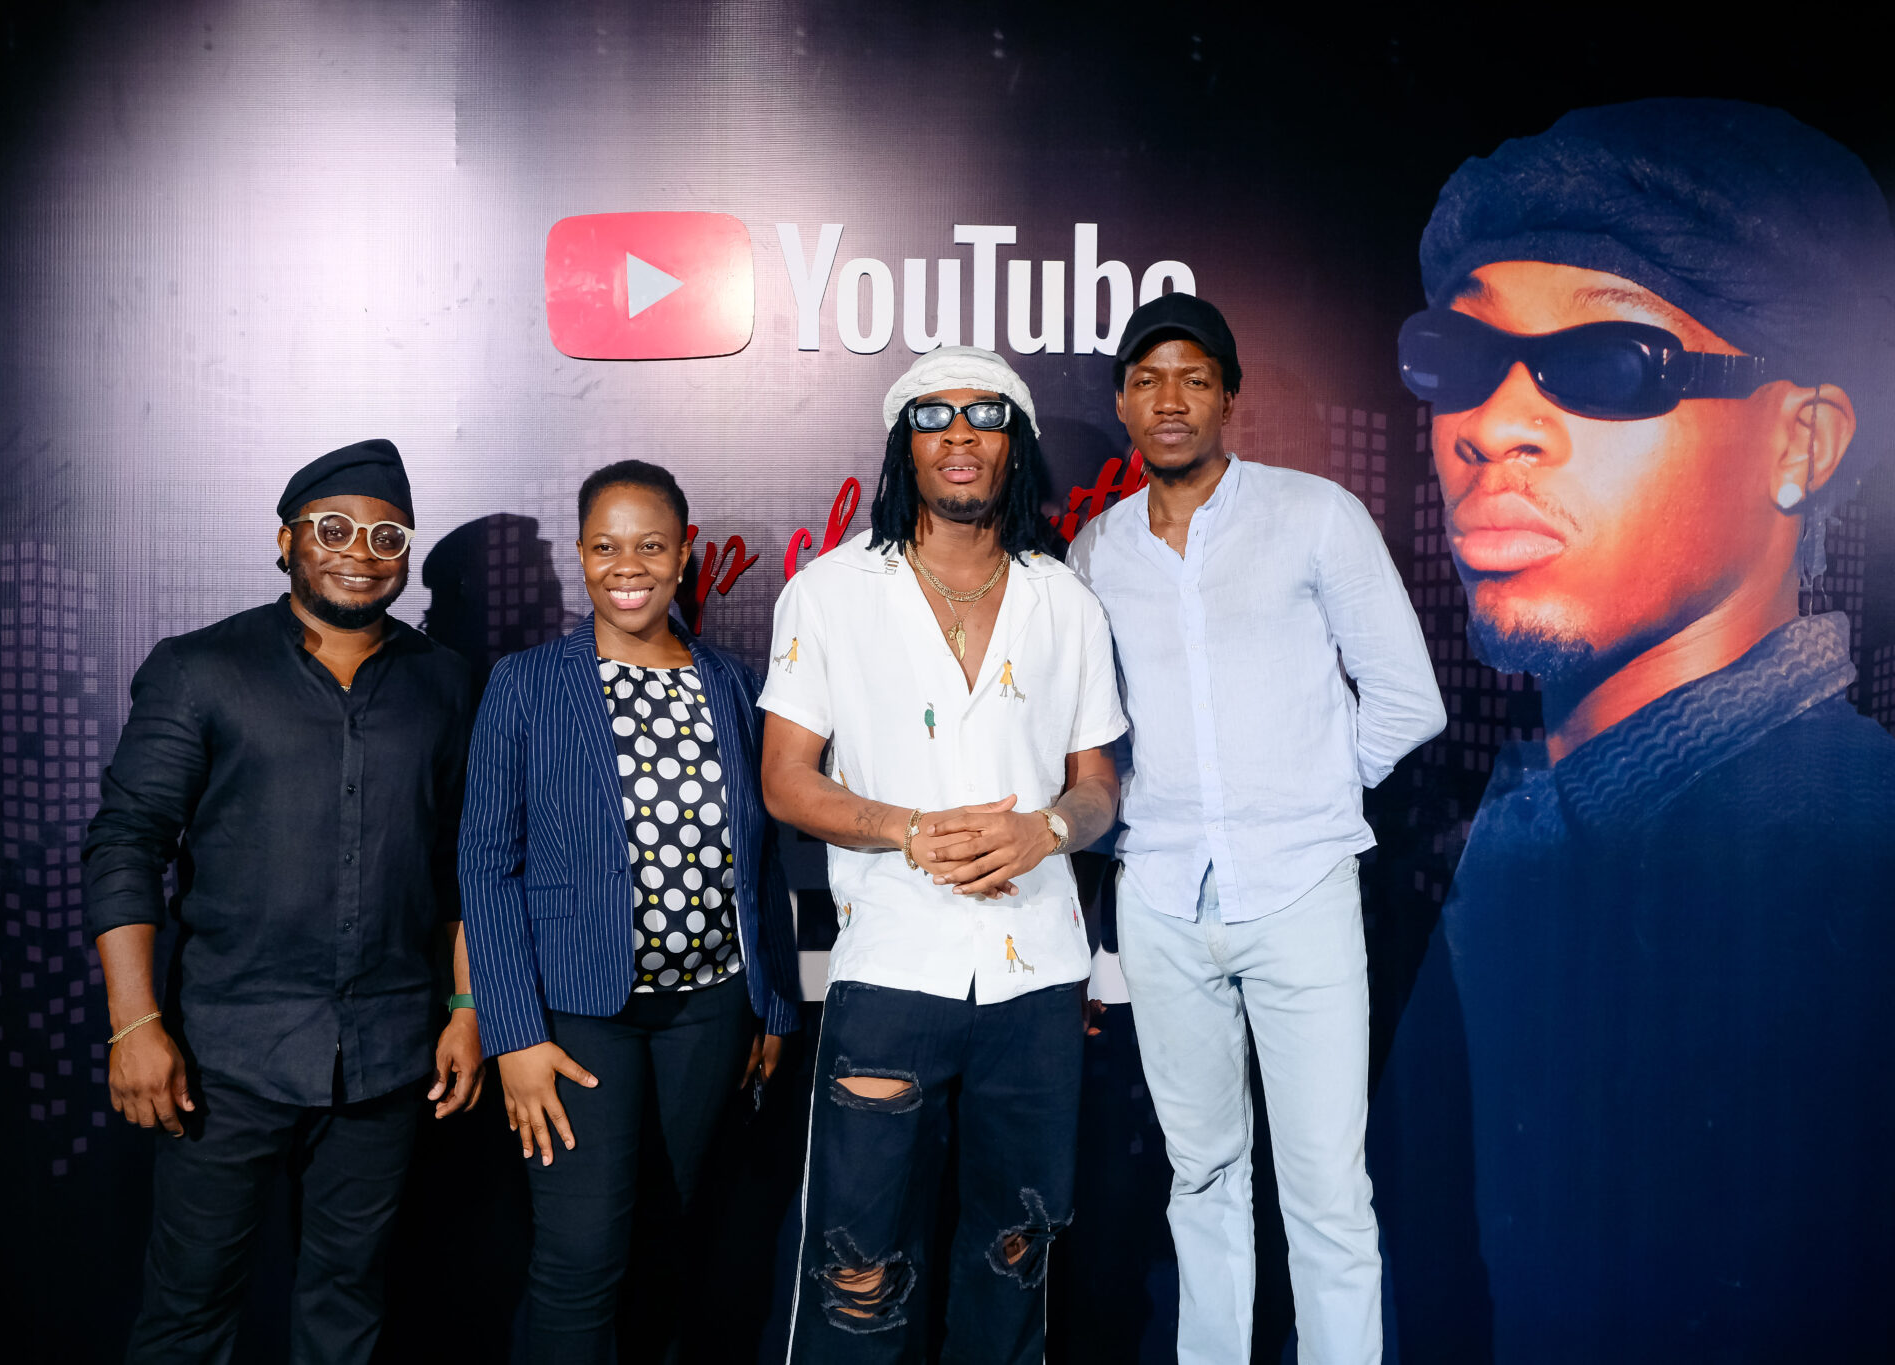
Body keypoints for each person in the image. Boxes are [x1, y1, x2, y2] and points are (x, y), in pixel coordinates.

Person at [1376, 99, 1895, 1359]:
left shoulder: (1847, 863)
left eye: (1611, 363)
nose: (1490, 424)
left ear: (1801, 441)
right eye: (1458, 356)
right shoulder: (1519, 823)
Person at [1066, 293, 1444, 1365]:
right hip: (1160, 896)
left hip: (1300, 889)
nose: (1169, 399)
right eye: (1147, 380)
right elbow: (1089, 730)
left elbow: (1407, 699)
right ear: (1122, 403)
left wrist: (1310, 791)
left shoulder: (1314, 514)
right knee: (1200, 1176)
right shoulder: (1095, 552)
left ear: (1228, 395)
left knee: (1325, 1189)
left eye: (1193, 378)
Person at [761, 346, 1126, 1363]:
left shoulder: (1065, 600)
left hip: (1037, 973)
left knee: (1015, 1251)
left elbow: (1099, 786)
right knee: (856, 1261)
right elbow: (785, 780)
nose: (959, 435)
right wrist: (909, 829)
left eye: (985, 416)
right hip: (891, 964)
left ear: (1017, 445)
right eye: (933, 417)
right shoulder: (830, 592)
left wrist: (1045, 828)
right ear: (903, 446)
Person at [84, 439, 481, 1364]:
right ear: (286, 540)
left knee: (348, 1309)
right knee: (188, 1313)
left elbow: (462, 862)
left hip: (389, 1055)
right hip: (224, 1055)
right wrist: (133, 1023)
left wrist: (467, 1005)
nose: (360, 552)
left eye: (387, 536)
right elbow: (128, 843)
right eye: (333, 529)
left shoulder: (447, 683)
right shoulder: (199, 669)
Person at [457, 460, 800, 1365]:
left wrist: (771, 1004)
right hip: (577, 1017)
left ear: (684, 555)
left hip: (710, 1012)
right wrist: (514, 1035)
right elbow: (485, 867)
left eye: (650, 545)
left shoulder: (735, 684)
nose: (628, 566)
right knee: (581, 1256)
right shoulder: (526, 683)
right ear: (580, 555)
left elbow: (762, 854)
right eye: (606, 547)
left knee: (668, 1239)